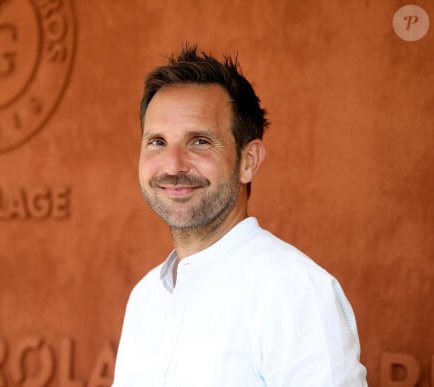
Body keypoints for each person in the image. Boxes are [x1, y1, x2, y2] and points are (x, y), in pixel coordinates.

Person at [112, 44, 368, 387]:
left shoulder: (294, 290)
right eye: (157, 142)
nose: (172, 165)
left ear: (248, 161)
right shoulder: (146, 297)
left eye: (199, 141)